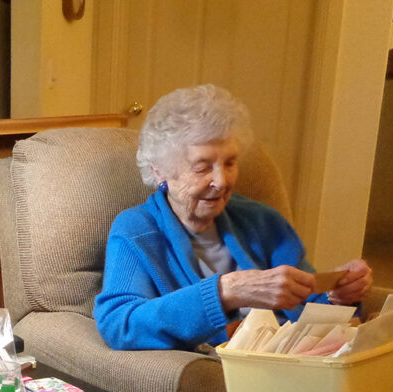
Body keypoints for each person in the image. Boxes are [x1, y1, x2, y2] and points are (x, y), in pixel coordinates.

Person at [94, 83, 372, 351]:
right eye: (203, 167)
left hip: (293, 363)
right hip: (226, 371)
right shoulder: (137, 230)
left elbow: (308, 303)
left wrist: (338, 296)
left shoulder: (262, 221)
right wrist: (225, 291)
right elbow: (120, 323)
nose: (222, 181)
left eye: (229, 163)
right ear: (159, 172)